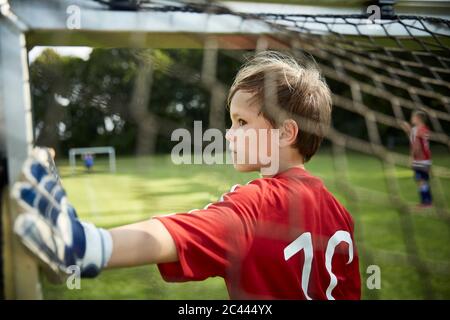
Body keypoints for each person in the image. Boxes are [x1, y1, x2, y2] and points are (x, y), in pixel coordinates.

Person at [12, 51, 361, 300]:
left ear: (286, 133)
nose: (228, 133)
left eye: (242, 122)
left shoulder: (258, 202)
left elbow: (180, 233)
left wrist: (89, 246)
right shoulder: (340, 214)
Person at [401, 110, 433, 207]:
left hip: (420, 160)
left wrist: (412, 158)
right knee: (422, 180)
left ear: (418, 118)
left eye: (413, 117)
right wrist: (408, 131)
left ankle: (425, 202)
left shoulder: (418, 130)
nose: (411, 119)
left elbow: (416, 145)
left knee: (421, 180)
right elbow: (413, 139)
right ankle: (428, 201)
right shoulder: (424, 129)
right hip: (426, 160)